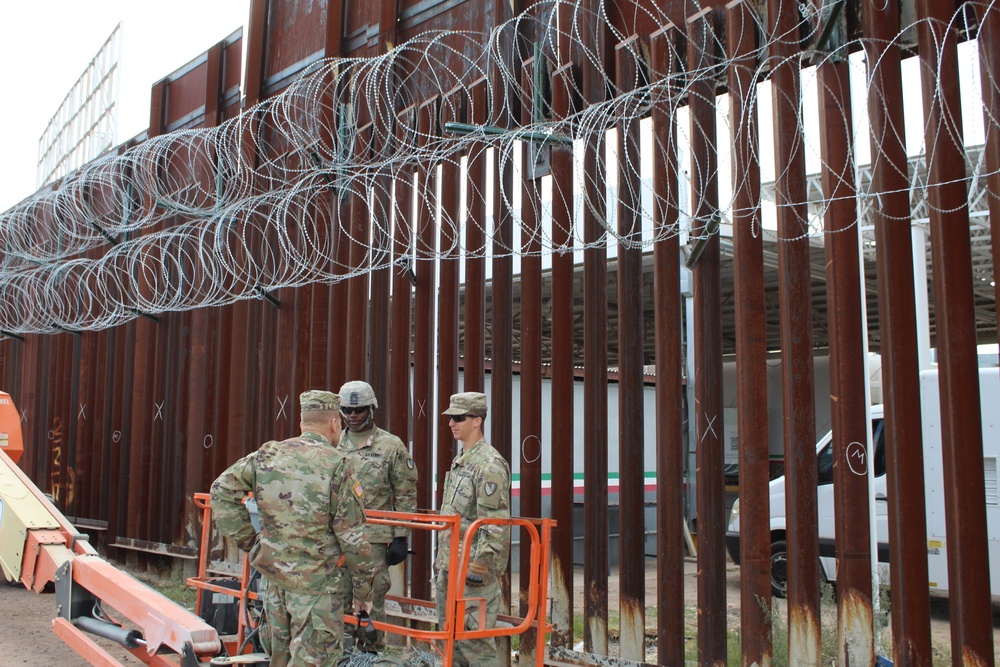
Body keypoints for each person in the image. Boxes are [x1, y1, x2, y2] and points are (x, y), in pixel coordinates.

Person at [211, 390, 376, 667]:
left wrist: (252, 543)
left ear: (302, 423)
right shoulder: (338, 464)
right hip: (317, 590)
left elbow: (221, 491)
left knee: (278, 657)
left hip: (275, 585)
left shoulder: (268, 454)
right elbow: (353, 538)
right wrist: (363, 594)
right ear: (335, 424)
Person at [336, 380, 418, 646]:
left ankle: (371, 655)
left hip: (373, 541)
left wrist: (401, 538)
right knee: (337, 601)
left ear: (371, 409)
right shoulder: (333, 443)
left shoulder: (390, 446)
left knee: (371, 605)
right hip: (336, 538)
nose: (352, 415)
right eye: (347, 409)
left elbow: (405, 493)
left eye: (358, 410)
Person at [434, 391, 511, 667]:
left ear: (477, 421)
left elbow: (494, 522)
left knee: (473, 644)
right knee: (450, 641)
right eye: (450, 418)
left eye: (458, 418)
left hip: (471, 573)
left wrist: (479, 567)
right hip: (450, 565)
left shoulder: (489, 465)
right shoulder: (462, 461)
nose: (451, 423)